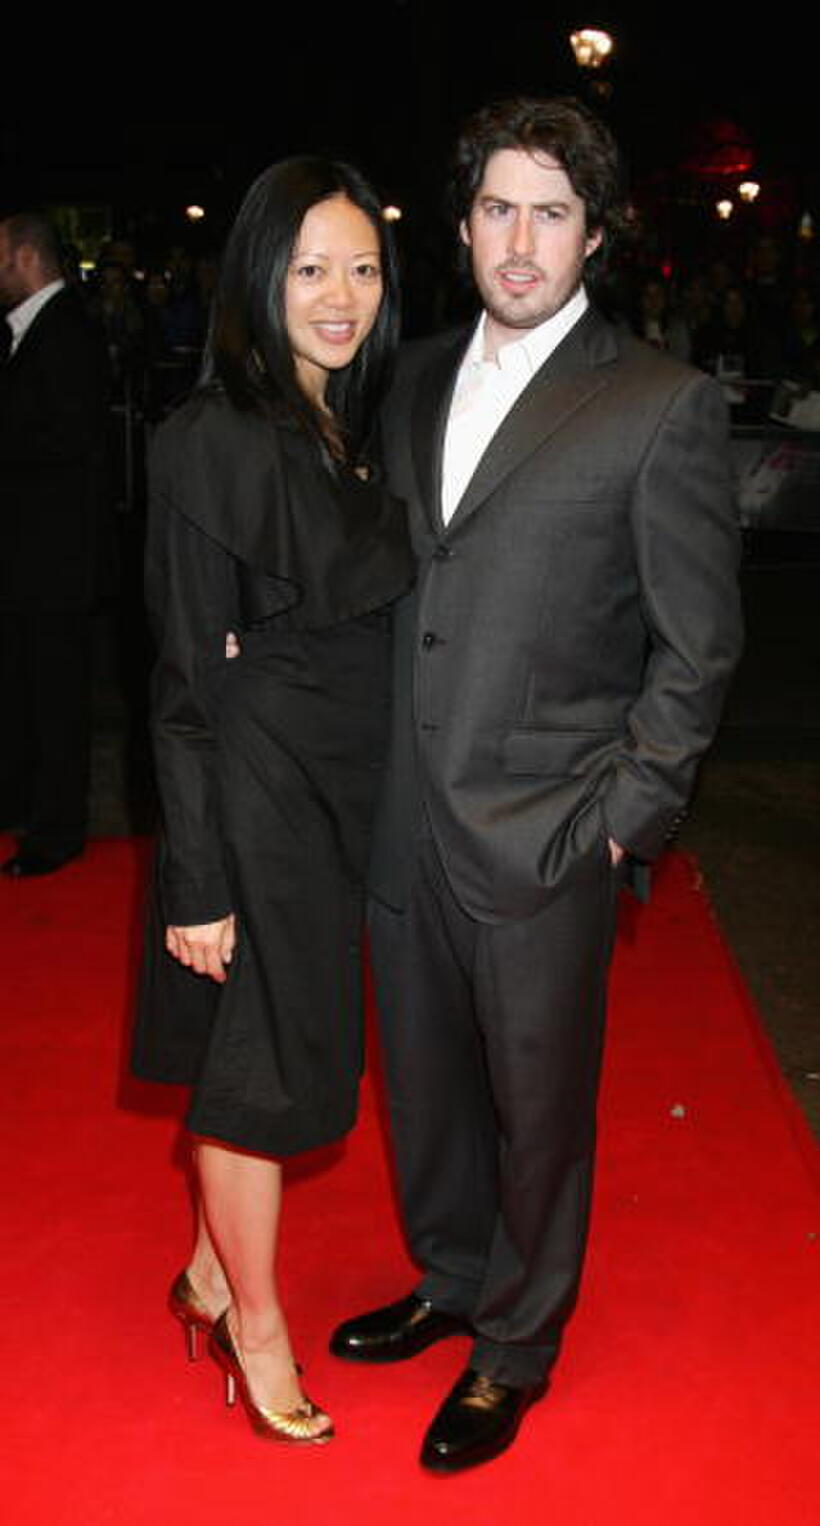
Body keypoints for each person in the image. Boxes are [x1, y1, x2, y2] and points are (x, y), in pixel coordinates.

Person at [330, 97, 743, 1472]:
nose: (521, 240)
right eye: (498, 209)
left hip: (548, 831)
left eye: (550, 213)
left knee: (538, 1103)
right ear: (459, 227)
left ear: (595, 233)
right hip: (405, 812)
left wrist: (623, 821)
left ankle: (516, 1341)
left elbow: (697, 648)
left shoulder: (659, 404)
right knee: (431, 1087)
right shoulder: (410, 378)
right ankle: (451, 1275)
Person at [131, 157, 412, 1444]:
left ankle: (202, 1272)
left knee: (286, 1059)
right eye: (309, 269)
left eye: (360, 266)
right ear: (260, 276)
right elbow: (183, 676)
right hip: (252, 803)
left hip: (337, 793)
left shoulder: (347, 424)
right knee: (258, 1074)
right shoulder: (210, 440)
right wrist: (196, 878)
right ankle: (254, 1325)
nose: (339, 295)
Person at [0, 211, 110, 876]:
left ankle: (57, 832)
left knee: (57, 699)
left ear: (23, 257)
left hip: (54, 559)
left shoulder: (66, 331)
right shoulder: (28, 333)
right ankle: (21, 805)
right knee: (23, 692)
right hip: (28, 557)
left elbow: (68, 443)